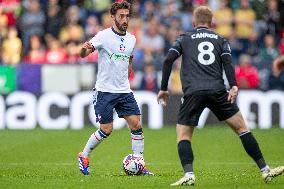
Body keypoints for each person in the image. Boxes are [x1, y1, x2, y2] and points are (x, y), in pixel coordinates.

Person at [157, 6, 284, 186]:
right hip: (217, 90)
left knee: (184, 135)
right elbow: (228, 63)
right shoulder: (220, 39)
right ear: (212, 23)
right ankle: (265, 169)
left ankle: (189, 174)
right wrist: (233, 85)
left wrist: (164, 88)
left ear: (194, 22)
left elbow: (168, 60)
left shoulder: (184, 38)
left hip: (193, 91)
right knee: (242, 129)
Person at [78, 1, 153, 176]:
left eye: (127, 16)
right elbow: (84, 53)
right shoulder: (103, 36)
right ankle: (84, 155)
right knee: (106, 129)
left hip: (124, 90)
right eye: (121, 16)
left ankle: (139, 164)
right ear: (113, 17)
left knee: (136, 124)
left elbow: (129, 57)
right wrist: (83, 50)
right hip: (105, 90)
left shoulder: (132, 38)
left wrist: (129, 67)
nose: (125, 19)